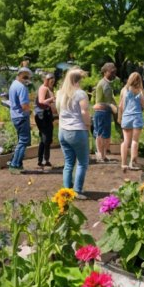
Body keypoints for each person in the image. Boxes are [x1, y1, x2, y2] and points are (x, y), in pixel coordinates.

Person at [55, 68, 91, 200]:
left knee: (69, 162)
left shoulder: (60, 93)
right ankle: (77, 190)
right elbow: (84, 112)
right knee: (82, 162)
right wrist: (88, 125)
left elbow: (58, 111)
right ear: (78, 80)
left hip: (63, 131)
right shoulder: (80, 94)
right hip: (77, 131)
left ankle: (66, 190)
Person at [118, 72, 144, 172]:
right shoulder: (140, 91)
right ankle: (133, 163)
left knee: (125, 141)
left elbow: (120, 106)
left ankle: (123, 163)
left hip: (126, 117)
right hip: (137, 117)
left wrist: (119, 117)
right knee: (134, 141)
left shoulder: (124, 90)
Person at [8, 67, 33, 174]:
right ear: (21, 74)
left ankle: (17, 163)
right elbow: (24, 105)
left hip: (15, 116)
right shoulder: (22, 87)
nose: (27, 79)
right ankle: (15, 164)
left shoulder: (13, 85)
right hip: (22, 116)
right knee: (23, 141)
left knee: (20, 141)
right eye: (26, 76)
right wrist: (30, 111)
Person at [93, 62, 117, 162]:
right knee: (101, 134)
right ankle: (100, 155)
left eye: (114, 72)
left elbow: (110, 98)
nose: (113, 74)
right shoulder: (101, 84)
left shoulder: (108, 84)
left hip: (106, 113)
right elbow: (98, 103)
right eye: (112, 72)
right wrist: (111, 106)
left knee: (106, 135)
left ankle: (104, 155)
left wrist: (116, 105)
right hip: (101, 112)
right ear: (105, 72)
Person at [34, 72, 56, 169]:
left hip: (47, 115)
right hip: (42, 115)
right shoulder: (43, 88)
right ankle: (41, 160)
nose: (52, 83)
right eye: (51, 81)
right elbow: (41, 101)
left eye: (53, 81)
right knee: (45, 138)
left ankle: (46, 159)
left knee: (48, 138)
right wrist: (52, 99)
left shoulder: (49, 88)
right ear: (46, 80)